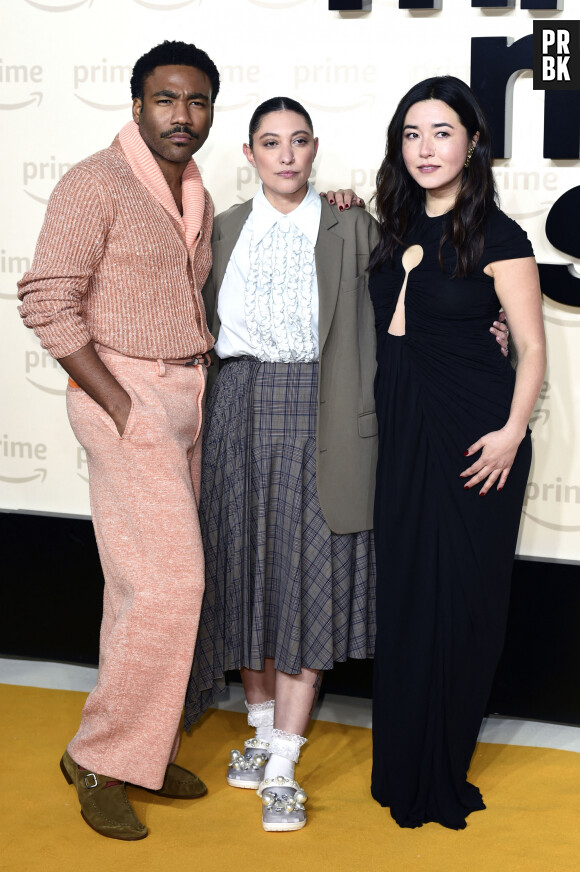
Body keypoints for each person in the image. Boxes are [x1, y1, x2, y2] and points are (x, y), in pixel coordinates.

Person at [17, 40, 221, 841]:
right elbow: (46, 301)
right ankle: (101, 758)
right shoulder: (94, 182)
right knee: (174, 585)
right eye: (167, 99)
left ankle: (135, 749)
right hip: (126, 393)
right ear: (137, 105)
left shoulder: (193, 187)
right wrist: (117, 402)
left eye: (198, 101)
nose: (183, 115)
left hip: (187, 394)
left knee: (139, 587)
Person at [183, 97, 380, 833]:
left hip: (319, 408)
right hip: (236, 404)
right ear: (249, 153)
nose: (287, 155)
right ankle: (260, 731)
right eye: (271, 143)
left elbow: (402, 304)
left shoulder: (351, 223)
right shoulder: (222, 228)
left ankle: (286, 761)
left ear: (315, 148)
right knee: (244, 568)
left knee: (309, 573)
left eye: (299, 141)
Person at [368, 76, 546, 830]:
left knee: (463, 604)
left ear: (473, 141)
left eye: (441, 131)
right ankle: (405, 760)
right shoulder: (393, 224)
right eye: (412, 133)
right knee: (409, 599)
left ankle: (442, 765)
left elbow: (533, 348)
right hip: (405, 436)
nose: (425, 148)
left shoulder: (499, 236)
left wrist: (511, 432)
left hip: (479, 440)